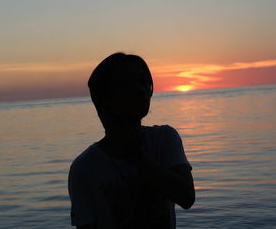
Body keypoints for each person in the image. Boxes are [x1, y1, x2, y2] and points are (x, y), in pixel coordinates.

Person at [68, 53, 195, 229]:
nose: (142, 89)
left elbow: (187, 197)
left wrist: (137, 157)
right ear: (105, 99)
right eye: (130, 84)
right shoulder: (84, 169)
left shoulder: (165, 138)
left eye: (145, 82)